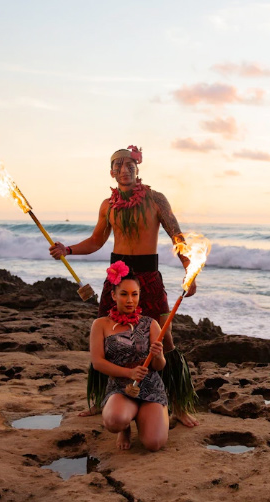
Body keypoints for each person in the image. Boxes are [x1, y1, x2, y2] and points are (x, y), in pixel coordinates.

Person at [49, 145, 199, 427]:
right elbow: (96, 241)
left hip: (149, 276)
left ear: (137, 169)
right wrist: (67, 249)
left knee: (165, 339)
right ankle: (100, 400)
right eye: (118, 166)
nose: (124, 170)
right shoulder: (108, 205)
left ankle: (177, 404)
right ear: (111, 172)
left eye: (130, 165)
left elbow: (176, 236)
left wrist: (189, 269)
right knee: (105, 335)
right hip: (117, 276)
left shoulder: (156, 200)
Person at [91, 262, 168, 451]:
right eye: (124, 294)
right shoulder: (101, 324)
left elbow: (159, 366)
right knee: (114, 421)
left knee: (153, 444)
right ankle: (124, 428)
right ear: (114, 295)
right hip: (120, 387)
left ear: (140, 295)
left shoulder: (151, 324)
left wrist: (157, 355)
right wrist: (129, 373)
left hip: (150, 386)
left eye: (134, 294)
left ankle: (149, 415)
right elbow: (98, 362)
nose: (129, 300)